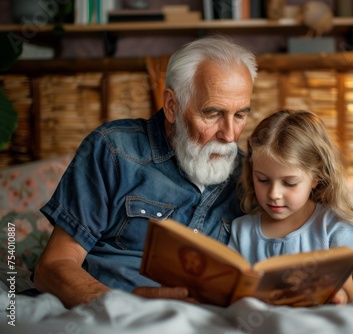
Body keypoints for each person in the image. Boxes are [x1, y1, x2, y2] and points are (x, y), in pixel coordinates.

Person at [33, 35, 258, 308]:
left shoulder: (252, 176)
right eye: (213, 114)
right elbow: (53, 266)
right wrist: (119, 304)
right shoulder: (113, 149)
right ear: (172, 106)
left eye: (240, 115)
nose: (230, 135)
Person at [228, 109, 353, 305]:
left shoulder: (331, 227)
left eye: (289, 183)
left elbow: (346, 290)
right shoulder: (242, 230)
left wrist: (333, 296)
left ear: (315, 178)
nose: (274, 194)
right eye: (262, 179)